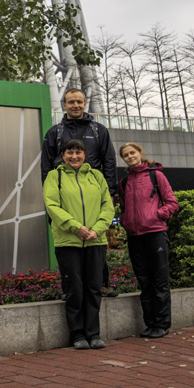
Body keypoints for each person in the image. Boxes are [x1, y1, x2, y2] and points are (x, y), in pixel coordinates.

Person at [41, 87, 118, 296]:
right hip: (65, 196)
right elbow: (46, 166)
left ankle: (100, 284)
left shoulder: (99, 130)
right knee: (68, 242)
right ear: (64, 105)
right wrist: (50, 194)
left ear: (85, 104)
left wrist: (110, 192)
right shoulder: (54, 133)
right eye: (71, 102)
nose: (76, 105)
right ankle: (69, 289)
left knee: (96, 238)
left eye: (79, 102)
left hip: (94, 192)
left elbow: (109, 161)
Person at [43, 138, 114, 350]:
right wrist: (77, 227)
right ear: (62, 155)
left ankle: (94, 334)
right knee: (75, 289)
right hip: (68, 242)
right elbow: (52, 205)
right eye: (69, 152)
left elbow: (107, 207)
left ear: (85, 155)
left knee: (93, 288)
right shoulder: (54, 177)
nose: (74, 156)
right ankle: (77, 334)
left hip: (96, 241)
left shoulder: (96, 176)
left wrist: (97, 229)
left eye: (78, 152)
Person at [118, 141, 179, 339]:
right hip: (134, 236)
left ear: (139, 153)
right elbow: (124, 207)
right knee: (144, 282)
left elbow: (172, 202)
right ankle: (150, 324)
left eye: (132, 152)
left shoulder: (156, 175)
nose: (130, 156)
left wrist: (157, 215)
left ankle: (162, 324)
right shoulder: (124, 183)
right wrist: (126, 222)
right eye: (126, 155)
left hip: (155, 233)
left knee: (159, 281)